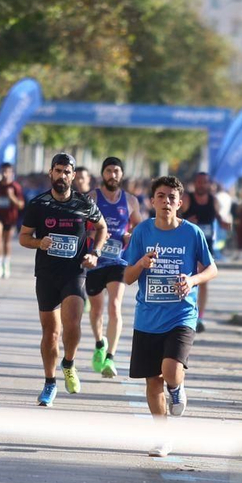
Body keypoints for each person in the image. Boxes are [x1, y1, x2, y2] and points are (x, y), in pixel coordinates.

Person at [124, 175, 219, 456]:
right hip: (148, 318)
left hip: (181, 314)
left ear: (180, 203)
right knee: (153, 381)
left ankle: (177, 388)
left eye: (172, 198)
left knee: (170, 371)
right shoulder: (142, 232)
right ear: (152, 201)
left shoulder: (192, 233)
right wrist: (141, 264)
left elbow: (211, 269)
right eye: (161, 196)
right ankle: (162, 437)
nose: (166, 201)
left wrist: (192, 280)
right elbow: (127, 277)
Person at [20, 153, 106, 407]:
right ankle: (49, 383)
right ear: (51, 173)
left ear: (73, 176)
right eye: (58, 171)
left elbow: (102, 227)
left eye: (67, 172)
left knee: (72, 323)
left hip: (74, 272)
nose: (62, 176)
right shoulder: (38, 204)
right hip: (46, 274)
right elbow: (24, 237)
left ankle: (68, 363)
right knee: (51, 332)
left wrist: (95, 252)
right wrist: (39, 242)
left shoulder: (84, 203)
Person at [85, 156, 145, 379]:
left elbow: (140, 226)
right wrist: (92, 233)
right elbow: (79, 225)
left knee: (115, 306)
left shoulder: (130, 200)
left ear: (122, 174)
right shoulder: (92, 197)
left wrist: (131, 235)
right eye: (109, 171)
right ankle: (99, 343)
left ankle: (110, 356)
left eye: (116, 171)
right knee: (96, 310)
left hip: (119, 260)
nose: (113, 175)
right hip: (95, 260)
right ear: (103, 174)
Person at [181, 171, 224, 329]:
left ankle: (200, 317)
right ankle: (185, 312)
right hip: (188, 245)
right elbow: (175, 218)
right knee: (187, 278)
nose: (201, 185)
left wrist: (225, 223)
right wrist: (186, 221)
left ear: (209, 184)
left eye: (204, 182)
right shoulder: (187, 199)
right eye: (199, 182)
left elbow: (218, 217)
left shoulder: (214, 200)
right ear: (195, 183)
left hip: (206, 245)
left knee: (203, 281)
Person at [0, 164, 25, 277]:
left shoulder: (15, 187)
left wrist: (12, 197)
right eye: (3, 172)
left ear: (11, 173)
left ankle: (6, 265)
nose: (5, 174)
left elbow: (21, 205)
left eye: (7, 172)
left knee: (6, 242)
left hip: (10, 217)